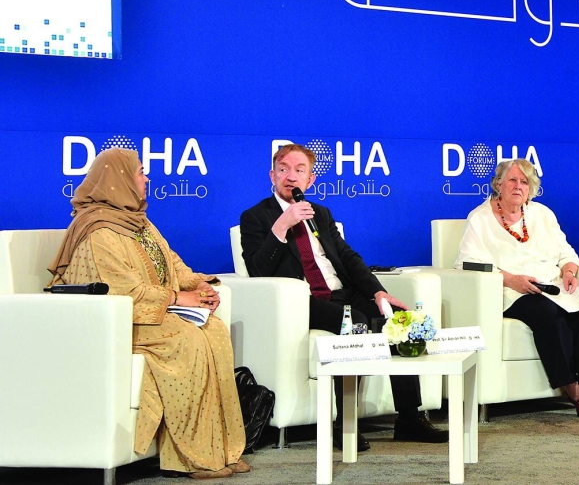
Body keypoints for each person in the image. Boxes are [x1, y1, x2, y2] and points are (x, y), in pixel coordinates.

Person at [47, 148, 248, 480]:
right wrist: (177, 296)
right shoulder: (98, 231)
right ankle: (191, 457)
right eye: (140, 172)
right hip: (117, 322)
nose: (147, 178)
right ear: (119, 180)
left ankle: (222, 450)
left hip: (150, 313)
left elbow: (172, 261)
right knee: (187, 340)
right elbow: (120, 290)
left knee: (214, 331)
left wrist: (200, 285)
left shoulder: (138, 221)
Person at [239, 144, 447, 450]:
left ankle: (409, 418)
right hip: (302, 302)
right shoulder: (256, 217)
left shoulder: (320, 214)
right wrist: (283, 224)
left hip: (340, 293)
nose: (291, 177)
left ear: (310, 180)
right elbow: (258, 271)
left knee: (395, 320)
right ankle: (343, 423)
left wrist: (378, 293)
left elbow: (348, 258)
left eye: (299, 171)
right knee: (357, 323)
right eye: (283, 169)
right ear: (272, 175)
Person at [455, 159, 579, 422]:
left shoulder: (542, 214)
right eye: (512, 180)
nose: (518, 186)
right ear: (498, 184)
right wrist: (510, 279)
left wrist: (568, 272)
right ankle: (572, 390)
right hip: (513, 292)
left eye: (524, 182)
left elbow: (567, 252)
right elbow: (468, 262)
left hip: (553, 286)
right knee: (549, 315)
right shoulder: (480, 219)